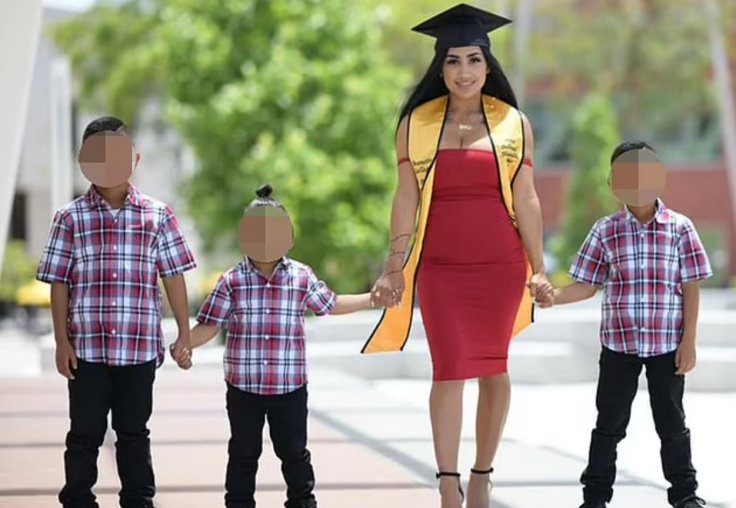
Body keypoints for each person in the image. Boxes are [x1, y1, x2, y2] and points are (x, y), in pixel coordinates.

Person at [363, 4, 548, 507]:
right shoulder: (416, 123)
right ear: (439, 68)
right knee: (447, 369)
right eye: (452, 61)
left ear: (489, 67)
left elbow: (527, 197)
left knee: (494, 366)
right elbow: (405, 197)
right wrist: (394, 265)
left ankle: (482, 475)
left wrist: (540, 267)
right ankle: (447, 481)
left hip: (502, 265)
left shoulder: (515, 123)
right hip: (440, 267)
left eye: (472, 60)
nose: (463, 72)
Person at [173, 184, 381, 508]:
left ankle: (302, 501)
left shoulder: (301, 276)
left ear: (290, 236)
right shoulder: (232, 280)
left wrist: (371, 299)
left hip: (290, 387)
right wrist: (185, 344)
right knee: (243, 453)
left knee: (294, 452)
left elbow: (331, 304)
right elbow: (209, 326)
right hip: (244, 387)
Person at [536, 141, 710, 508]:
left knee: (672, 424)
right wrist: (552, 296)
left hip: (667, 346)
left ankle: (685, 494)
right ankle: (595, 497)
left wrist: (689, 341)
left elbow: (691, 287)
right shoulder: (606, 231)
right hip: (619, 347)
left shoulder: (681, 229)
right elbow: (586, 285)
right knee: (609, 425)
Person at [36, 116, 197, 508]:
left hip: (138, 348)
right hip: (86, 350)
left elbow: (173, 276)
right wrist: (62, 342)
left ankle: (139, 501)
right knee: (84, 433)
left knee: (134, 434)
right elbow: (59, 282)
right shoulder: (69, 218)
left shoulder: (158, 215)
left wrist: (184, 333)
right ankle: (77, 499)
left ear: (135, 159)